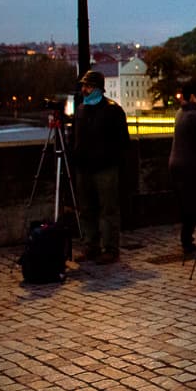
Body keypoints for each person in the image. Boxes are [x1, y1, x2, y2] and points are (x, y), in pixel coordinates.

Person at [72, 69, 130, 264]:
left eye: (88, 86)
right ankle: (91, 245)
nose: (84, 90)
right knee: (86, 209)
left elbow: (123, 141)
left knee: (108, 209)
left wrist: (114, 161)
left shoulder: (113, 110)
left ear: (98, 88)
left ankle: (110, 248)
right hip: (84, 168)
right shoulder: (81, 110)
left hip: (106, 167)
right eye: (83, 86)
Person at [169, 80, 196, 255]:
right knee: (193, 203)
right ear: (193, 96)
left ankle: (187, 237)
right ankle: (187, 239)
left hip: (176, 163)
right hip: (191, 165)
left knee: (184, 202)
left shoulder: (180, 112)